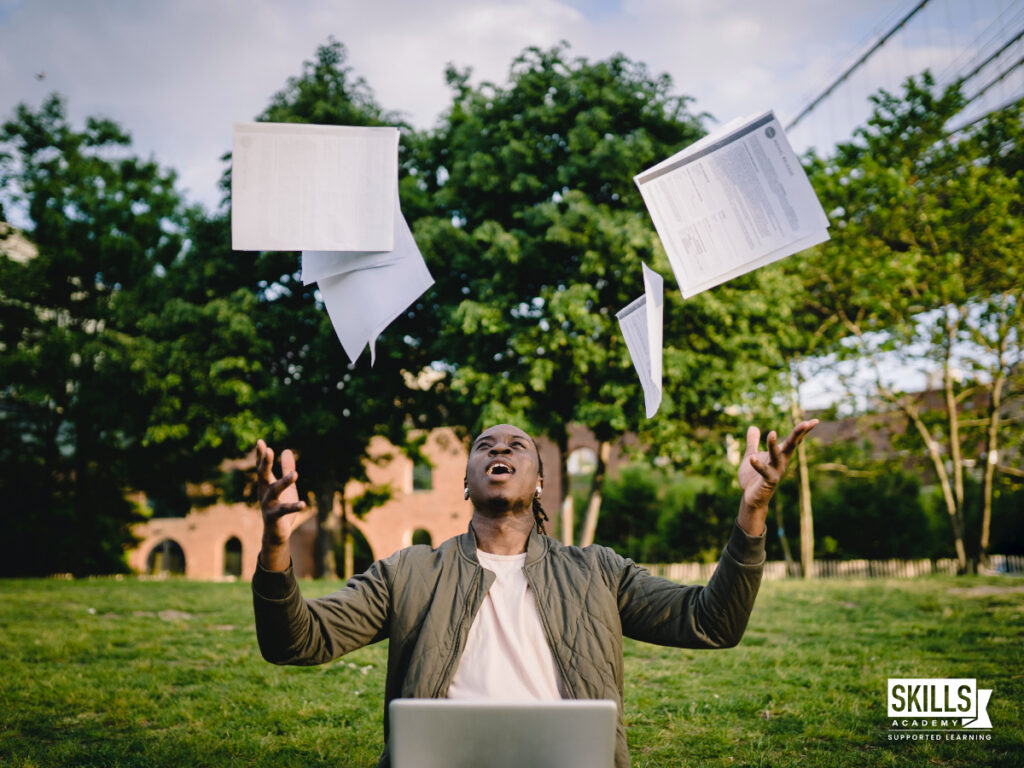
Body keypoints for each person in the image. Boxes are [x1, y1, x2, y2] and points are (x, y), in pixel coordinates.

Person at [252, 420, 817, 767]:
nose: (500, 449)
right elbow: (296, 643)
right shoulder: (408, 571)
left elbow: (712, 623)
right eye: (485, 446)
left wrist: (753, 511)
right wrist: (276, 544)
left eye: (518, 445)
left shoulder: (598, 571)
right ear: (467, 480)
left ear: (539, 481)